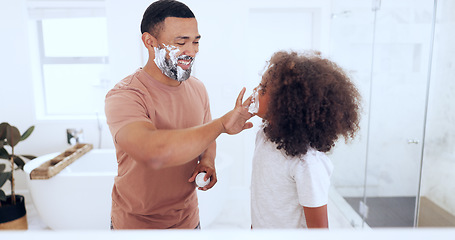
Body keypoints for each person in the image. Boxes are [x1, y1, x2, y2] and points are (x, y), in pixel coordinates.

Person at [104, 0, 253, 229]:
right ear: (149, 42)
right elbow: (152, 152)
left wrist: (208, 160)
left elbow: (207, 137)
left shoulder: (198, 88)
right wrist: (222, 124)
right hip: (135, 226)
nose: (191, 51)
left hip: (189, 222)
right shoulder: (125, 95)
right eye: (181, 42)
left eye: (195, 42)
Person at [249, 50, 361, 229]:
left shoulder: (307, 164)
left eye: (262, 89)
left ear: (283, 104)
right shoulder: (264, 136)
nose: (255, 91)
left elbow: (319, 230)